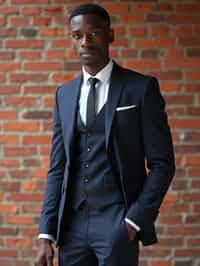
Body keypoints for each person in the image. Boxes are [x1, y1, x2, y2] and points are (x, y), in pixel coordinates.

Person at [35, 3, 175, 266]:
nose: (85, 42)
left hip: (117, 223)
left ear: (110, 35)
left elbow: (162, 164)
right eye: (78, 36)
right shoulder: (63, 95)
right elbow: (58, 168)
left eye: (94, 33)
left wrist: (134, 221)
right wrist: (46, 232)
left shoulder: (140, 88)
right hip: (71, 226)